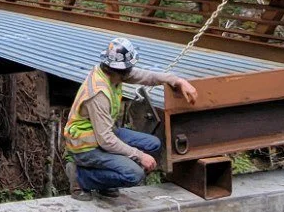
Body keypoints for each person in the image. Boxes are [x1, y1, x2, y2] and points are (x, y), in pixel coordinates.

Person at [62, 38, 199, 196]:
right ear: (119, 70)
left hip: (103, 135)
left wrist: (177, 80)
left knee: (153, 144)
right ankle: (80, 177)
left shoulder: (111, 72)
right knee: (134, 174)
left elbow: (146, 76)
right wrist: (139, 156)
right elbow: (105, 140)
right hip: (86, 147)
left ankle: (105, 180)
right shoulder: (99, 94)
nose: (131, 72)